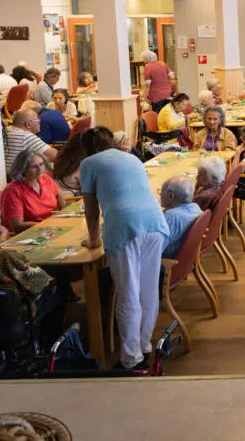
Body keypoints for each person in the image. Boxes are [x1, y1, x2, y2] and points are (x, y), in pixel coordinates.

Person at [78, 127, 170, 370]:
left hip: (124, 227)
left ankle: (131, 358)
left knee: (128, 291)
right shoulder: (131, 158)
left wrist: (94, 240)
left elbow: (91, 210)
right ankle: (145, 345)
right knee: (148, 289)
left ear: (86, 147)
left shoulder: (88, 164)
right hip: (154, 223)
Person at [0, 200, 57, 334]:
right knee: (55, 287)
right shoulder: (5, 257)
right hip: (9, 318)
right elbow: (40, 283)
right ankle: (49, 340)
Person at [0, 148, 66, 232]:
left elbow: (60, 196)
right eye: (34, 166)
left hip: (51, 227)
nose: (40, 169)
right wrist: (46, 225)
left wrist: (63, 214)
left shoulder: (45, 178)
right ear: (23, 169)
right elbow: (17, 226)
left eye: (41, 164)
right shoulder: (12, 191)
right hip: (30, 234)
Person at [159, 176, 203, 260]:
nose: (160, 194)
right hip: (187, 259)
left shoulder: (172, 217)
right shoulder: (196, 208)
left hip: (167, 263)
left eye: (161, 191)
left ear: (171, 195)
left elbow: (156, 249)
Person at [4, 109, 57, 173]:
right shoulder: (26, 136)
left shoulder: (6, 132)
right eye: (38, 120)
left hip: (6, 177)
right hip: (20, 179)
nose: (39, 122)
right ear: (28, 124)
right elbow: (55, 156)